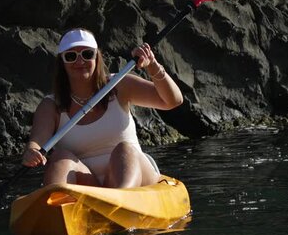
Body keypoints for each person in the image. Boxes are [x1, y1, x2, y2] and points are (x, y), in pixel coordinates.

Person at [21, 28, 183, 188]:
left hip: (134, 175)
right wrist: (31, 152)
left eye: (87, 54)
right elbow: (37, 142)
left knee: (124, 149)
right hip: (89, 184)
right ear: (62, 62)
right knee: (59, 158)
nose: (79, 61)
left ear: (97, 57)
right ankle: (56, 207)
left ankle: (121, 202)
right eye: (71, 56)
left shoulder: (119, 85)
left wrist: (152, 66)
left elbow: (173, 101)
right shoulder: (51, 105)